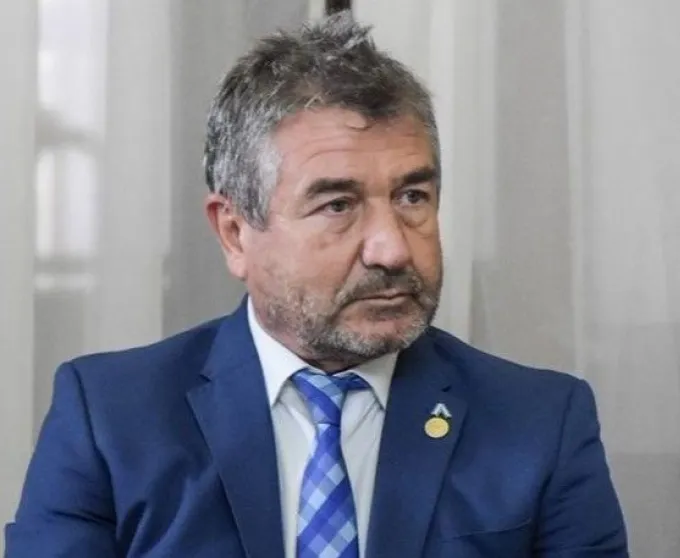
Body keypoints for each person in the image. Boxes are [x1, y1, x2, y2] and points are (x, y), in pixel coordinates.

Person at [4, 13, 627, 558]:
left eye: (413, 197)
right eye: (337, 205)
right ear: (235, 233)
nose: (391, 248)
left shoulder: (541, 424)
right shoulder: (109, 420)